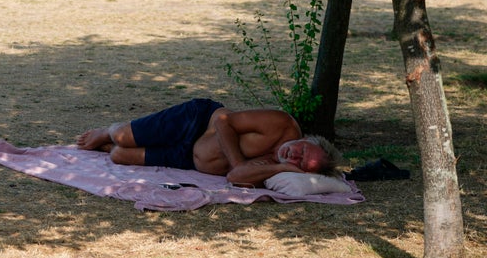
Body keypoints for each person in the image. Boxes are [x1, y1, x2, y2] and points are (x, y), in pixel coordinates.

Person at [76, 98, 344, 187]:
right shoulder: (280, 125)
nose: (294, 156)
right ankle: (108, 130)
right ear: (306, 139)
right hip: (196, 122)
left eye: (300, 164)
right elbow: (224, 121)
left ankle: (114, 144)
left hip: (188, 159)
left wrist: (281, 169)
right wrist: (239, 163)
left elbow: (236, 178)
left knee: (118, 156)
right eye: (302, 150)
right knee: (121, 137)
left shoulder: (279, 169)